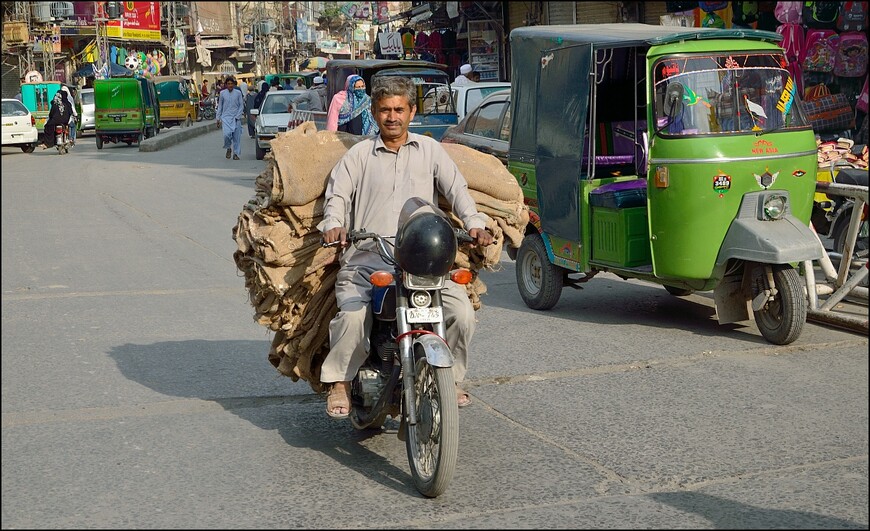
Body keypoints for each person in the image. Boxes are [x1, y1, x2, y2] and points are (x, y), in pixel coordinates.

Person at [318, 75, 494, 418]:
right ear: (374, 111)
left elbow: (457, 190)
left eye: (400, 109)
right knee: (353, 316)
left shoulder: (430, 150)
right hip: (370, 257)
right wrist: (334, 224)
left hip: (422, 259)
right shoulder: (359, 156)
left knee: (461, 312)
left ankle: (452, 378)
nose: (392, 116)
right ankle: (339, 380)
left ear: (412, 111)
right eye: (385, 110)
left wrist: (474, 223)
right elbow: (337, 195)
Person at [215, 76, 245, 160]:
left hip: (236, 118)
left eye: (231, 84)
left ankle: (236, 154)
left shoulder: (238, 93)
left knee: (236, 137)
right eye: (228, 84)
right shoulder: (222, 93)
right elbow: (220, 106)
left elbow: (241, 106)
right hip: (226, 118)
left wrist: (237, 116)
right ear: (226, 85)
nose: (230, 85)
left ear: (234, 84)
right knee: (226, 135)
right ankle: (228, 148)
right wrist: (218, 118)